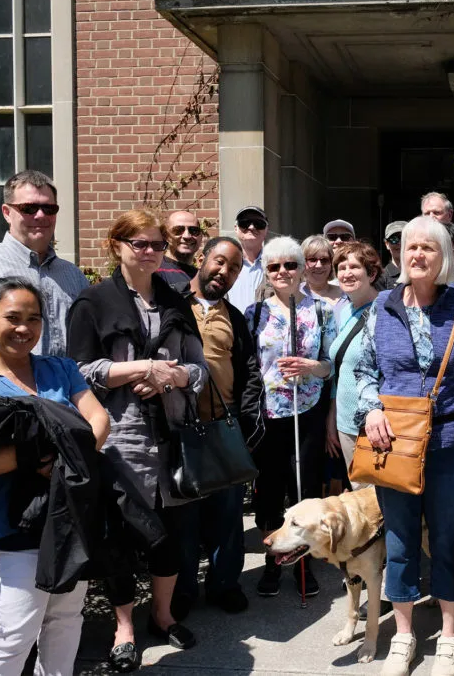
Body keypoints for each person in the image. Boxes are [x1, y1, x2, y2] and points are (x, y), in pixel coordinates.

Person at [353, 216, 454, 676]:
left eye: (428, 248)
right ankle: (403, 634)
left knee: (451, 540)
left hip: (452, 442)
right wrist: (370, 409)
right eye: (411, 247)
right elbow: (361, 371)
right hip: (392, 444)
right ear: (399, 255)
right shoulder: (380, 308)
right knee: (398, 542)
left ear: (444, 257)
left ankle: (451, 635)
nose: (417, 255)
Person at [0, 277, 109, 676]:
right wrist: (38, 457)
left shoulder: (60, 369)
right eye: (12, 317)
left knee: (66, 622)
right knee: (15, 631)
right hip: (15, 526)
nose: (24, 328)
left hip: (71, 518)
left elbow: (99, 420)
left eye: (34, 319)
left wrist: (67, 458)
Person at [67, 209, 208, 671]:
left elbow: (199, 370)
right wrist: (142, 369)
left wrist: (174, 376)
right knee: (123, 538)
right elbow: (80, 372)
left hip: (170, 436)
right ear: (117, 246)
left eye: (156, 245)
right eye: (139, 244)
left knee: (169, 536)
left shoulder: (175, 301)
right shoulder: (92, 302)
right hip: (118, 439)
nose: (149, 252)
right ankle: (124, 626)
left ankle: (163, 617)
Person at [173, 236, 267, 619]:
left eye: (234, 268)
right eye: (219, 262)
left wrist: (247, 421)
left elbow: (247, 370)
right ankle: (180, 590)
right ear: (202, 258)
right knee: (183, 518)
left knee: (228, 515)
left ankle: (225, 583)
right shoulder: (172, 307)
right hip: (181, 428)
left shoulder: (236, 317)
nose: (224, 272)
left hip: (223, 425)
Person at [246, 236, 336, 598]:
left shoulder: (321, 311)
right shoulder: (256, 314)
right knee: (269, 492)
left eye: (290, 265)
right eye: (274, 266)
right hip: (269, 415)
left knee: (305, 491)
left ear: (301, 269)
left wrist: (313, 366)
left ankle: (303, 563)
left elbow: (332, 366)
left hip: (308, 411)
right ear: (266, 272)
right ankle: (272, 560)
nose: (283, 272)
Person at [0, 170, 90, 377]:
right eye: (28, 208)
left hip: (69, 401)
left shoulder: (74, 277)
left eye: (49, 208)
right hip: (6, 401)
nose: (40, 215)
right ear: (6, 212)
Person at [325, 241, 383, 480]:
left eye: (354, 267)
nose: (346, 273)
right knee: (359, 495)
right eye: (341, 268)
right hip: (345, 421)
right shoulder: (344, 310)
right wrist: (332, 416)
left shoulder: (386, 312)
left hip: (374, 425)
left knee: (375, 500)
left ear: (371, 272)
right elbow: (342, 371)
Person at [226, 205, 270, 315]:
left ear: (266, 230)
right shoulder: (224, 264)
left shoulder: (276, 265)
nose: (251, 227)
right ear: (236, 228)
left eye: (258, 223)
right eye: (244, 223)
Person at [157, 210, 204, 287]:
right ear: (166, 236)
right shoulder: (156, 273)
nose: (187, 236)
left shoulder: (200, 277)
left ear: (201, 236)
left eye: (194, 230)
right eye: (178, 230)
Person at [301, 234, 344, 307]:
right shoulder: (293, 294)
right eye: (312, 260)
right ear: (302, 262)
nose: (319, 265)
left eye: (324, 260)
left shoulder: (347, 295)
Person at [380, 220, 406, 289]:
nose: (399, 243)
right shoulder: (381, 277)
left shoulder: (419, 272)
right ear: (387, 244)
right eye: (393, 239)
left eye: (403, 238)